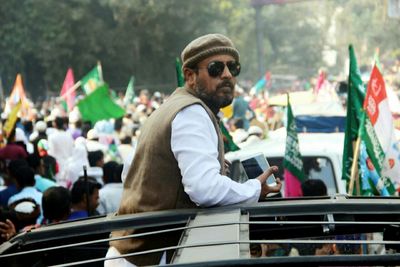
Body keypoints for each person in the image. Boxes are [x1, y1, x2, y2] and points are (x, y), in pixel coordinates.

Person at [107, 33, 282, 266]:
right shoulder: (192, 113)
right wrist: (253, 189)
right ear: (190, 76)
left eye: (233, 67)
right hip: (150, 257)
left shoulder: (174, 107)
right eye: (215, 68)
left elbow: (134, 172)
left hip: (132, 253)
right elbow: (204, 188)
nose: (227, 75)